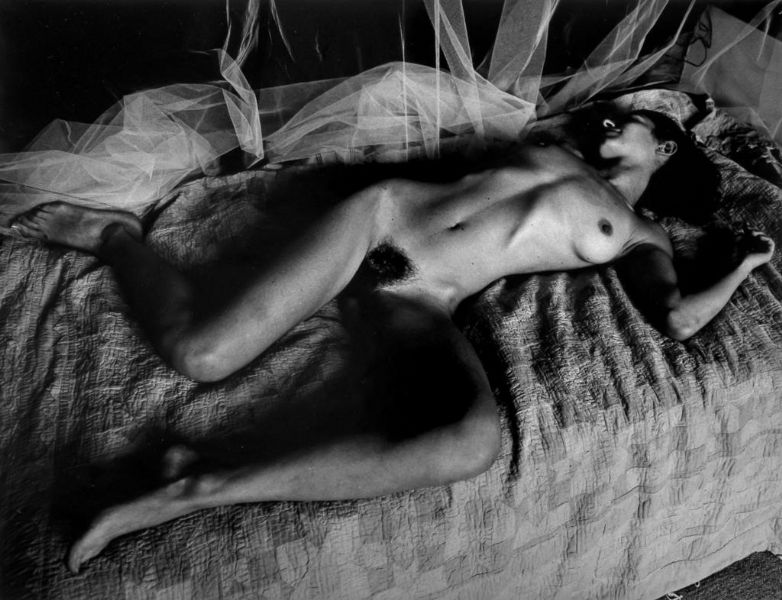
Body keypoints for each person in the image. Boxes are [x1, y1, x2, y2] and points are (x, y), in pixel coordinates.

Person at [8, 109, 774, 572]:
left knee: (470, 441)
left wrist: (741, 264)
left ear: (666, 148)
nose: (609, 123)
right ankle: (117, 239)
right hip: (378, 218)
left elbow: (677, 319)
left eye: (633, 122)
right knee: (199, 354)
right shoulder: (554, 143)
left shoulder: (642, 236)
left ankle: (202, 484)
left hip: (420, 298)